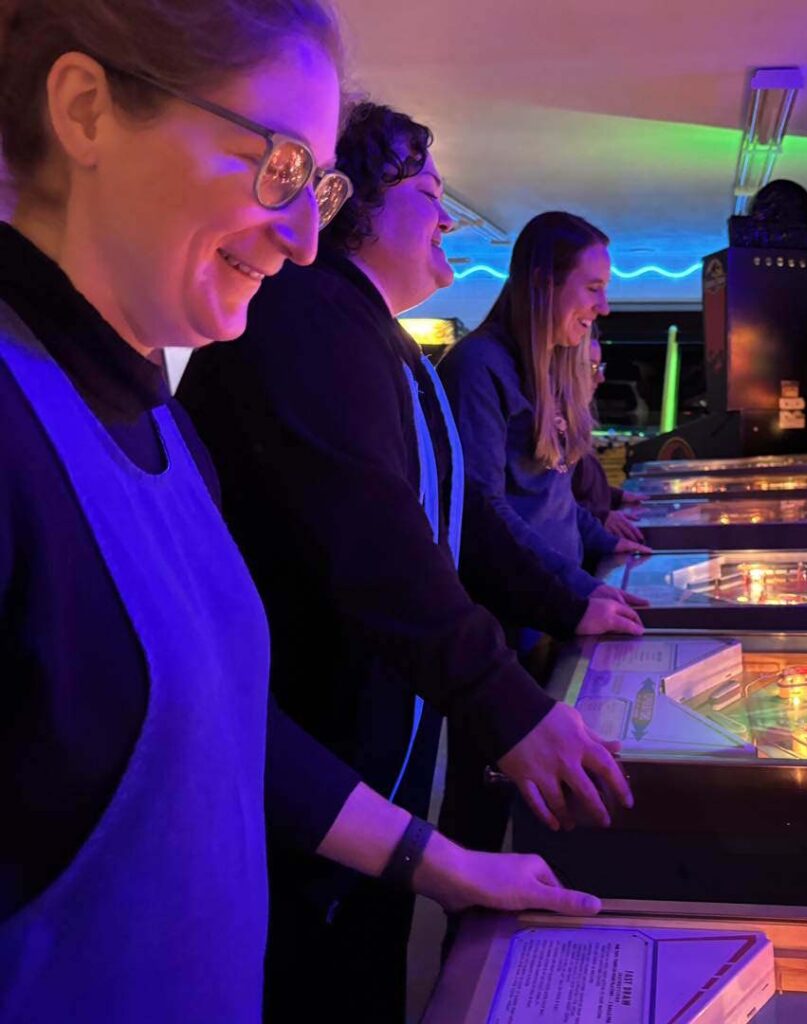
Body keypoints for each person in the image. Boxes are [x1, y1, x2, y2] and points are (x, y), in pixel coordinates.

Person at [0, 6, 599, 1021]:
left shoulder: (165, 427)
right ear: (85, 110)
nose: (308, 235)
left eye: (318, 184)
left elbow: (229, 729)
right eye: (276, 165)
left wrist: (439, 863)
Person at [176, 102, 641, 1021]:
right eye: (430, 193)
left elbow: (456, 520)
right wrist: (508, 702)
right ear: (353, 209)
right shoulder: (308, 318)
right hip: (312, 765)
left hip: (352, 774)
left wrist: (571, 600)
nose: (447, 217)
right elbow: (376, 542)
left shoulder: (373, 334)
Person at [436, 213, 653, 856]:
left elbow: (552, 498)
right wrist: (575, 594)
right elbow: (481, 512)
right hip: (506, 624)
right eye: (591, 287)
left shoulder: (544, 369)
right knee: (487, 805)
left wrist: (605, 545)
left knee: (535, 810)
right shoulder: (478, 367)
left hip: (552, 619)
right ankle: (468, 932)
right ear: (543, 284)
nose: (604, 306)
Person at [572, 332, 647, 543]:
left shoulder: (573, 421)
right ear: (566, 368)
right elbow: (553, 501)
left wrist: (617, 496)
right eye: (592, 367)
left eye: (600, 367)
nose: (601, 378)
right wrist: (601, 516)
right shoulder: (553, 423)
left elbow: (580, 484)